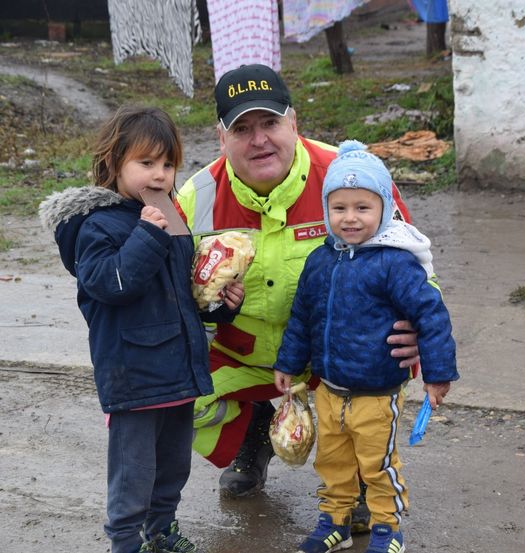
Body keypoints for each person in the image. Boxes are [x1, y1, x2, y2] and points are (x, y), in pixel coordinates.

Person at [175, 64, 420, 507]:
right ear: (221, 137)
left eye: (270, 123)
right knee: (168, 390)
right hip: (242, 354)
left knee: (363, 416)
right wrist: (208, 310)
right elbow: (169, 297)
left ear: (293, 122)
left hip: (335, 355)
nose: (259, 139)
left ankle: (363, 477)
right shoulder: (196, 197)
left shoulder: (348, 177)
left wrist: (418, 326)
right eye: (242, 129)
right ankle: (253, 434)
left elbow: (413, 262)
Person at [39, 106, 244, 553]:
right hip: (134, 376)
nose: (160, 175)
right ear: (114, 163)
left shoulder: (168, 216)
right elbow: (112, 284)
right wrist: (148, 236)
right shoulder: (97, 226)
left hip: (178, 372)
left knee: (172, 468)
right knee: (134, 472)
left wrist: (219, 305)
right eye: (146, 163)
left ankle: (162, 529)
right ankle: (126, 540)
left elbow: (182, 296)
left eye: (168, 164)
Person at [273, 140, 459, 553]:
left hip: (376, 392)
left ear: (384, 209)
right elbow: (302, 317)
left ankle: (386, 528)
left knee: (376, 465)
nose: (350, 218)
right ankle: (334, 522)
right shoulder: (320, 261)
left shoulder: (395, 262)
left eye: (362, 207)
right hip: (329, 388)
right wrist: (288, 361)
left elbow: (431, 314)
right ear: (327, 210)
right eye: (340, 208)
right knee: (332, 461)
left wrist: (438, 373)